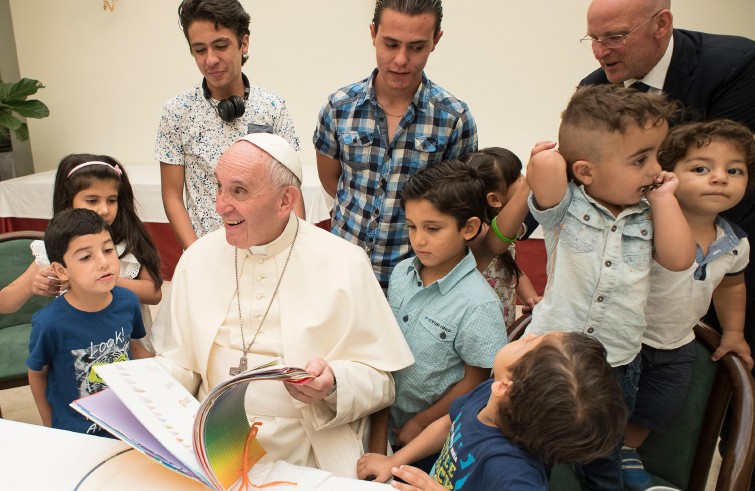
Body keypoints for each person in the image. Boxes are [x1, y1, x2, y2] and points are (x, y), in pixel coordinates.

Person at [150, 132, 414, 478]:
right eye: (220, 187)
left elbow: (382, 382)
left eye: (239, 191)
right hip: (216, 437)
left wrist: (333, 383)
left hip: (309, 444)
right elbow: (180, 363)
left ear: (285, 201)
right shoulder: (198, 257)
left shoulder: (344, 262)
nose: (220, 205)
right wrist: (142, 386)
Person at [524, 84, 696, 490]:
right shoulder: (566, 206)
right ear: (584, 171)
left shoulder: (651, 212)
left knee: (603, 455)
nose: (656, 169)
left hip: (616, 364)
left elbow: (679, 259)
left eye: (658, 154)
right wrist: (547, 153)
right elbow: (546, 169)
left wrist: (667, 198)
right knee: (531, 445)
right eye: (641, 159)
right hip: (550, 356)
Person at [579, 0, 755, 370]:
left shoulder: (735, 65)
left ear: (661, 24)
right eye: (593, 38)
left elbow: (729, 177)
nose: (599, 51)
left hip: (725, 255)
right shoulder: (594, 90)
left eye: (614, 37)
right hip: (639, 290)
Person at [620, 120, 755, 490]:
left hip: (677, 343)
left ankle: (626, 451)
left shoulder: (734, 241)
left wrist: (734, 332)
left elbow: (732, 285)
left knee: (659, 407)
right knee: (605, 401)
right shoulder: (643, 225)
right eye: (701, 168)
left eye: (734, 170)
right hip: (625, 337)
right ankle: (591, 452)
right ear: (668, 175)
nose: (720, 178)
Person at [313, 0, 477, 290]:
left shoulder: (454, 118)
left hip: (416, 282)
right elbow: (331, 180)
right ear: (373, 34)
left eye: (416, 47)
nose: (401, 59)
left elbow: (458, 204)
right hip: (342, 273)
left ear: (436, 41)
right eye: (390, 44)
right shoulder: (339, 107)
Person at [357, 332, 627, 490]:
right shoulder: (490, 392)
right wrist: (393, 462)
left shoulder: (513, 473)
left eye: (529, 344)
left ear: (506, 389)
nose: (529, 334)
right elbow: (448, 424)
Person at [156, 0, 300, 250]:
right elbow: (172, 196)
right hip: (207, 251)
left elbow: (291, 187)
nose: (210, 60)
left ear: (243, 43)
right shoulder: (176, 112)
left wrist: (292, 249)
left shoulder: (273, 108)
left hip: (267, 249)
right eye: (199, 50)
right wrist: (195, 253)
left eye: (220, 46)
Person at [387, 160, 507, 459]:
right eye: (412, 227)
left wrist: (421, 422)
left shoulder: (478, 303)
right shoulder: (402, 272)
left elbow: (475, 381)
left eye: (433, 228)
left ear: (469, 228)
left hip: (431, 435)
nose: (419, 239)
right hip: (383, 414)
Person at [0, 154, 162, 348]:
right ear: (69, 202)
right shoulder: (55, 250)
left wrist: (101, 279)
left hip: (129, 347)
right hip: (79, 352)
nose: (104, 209)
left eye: (111, 200)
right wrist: (30, 286)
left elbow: (154, 294)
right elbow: (5, 303)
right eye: (92, 201)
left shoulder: (129, 241)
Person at [26, 208, 153, 436]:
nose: (104, 263)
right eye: (86, 257)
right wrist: (49, 426)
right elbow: (36, 374)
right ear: (61, 271)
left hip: (128, 421)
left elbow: (131, 346)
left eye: (107, 249)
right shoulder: (49, 323)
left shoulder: (128, 302)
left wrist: (166, 368)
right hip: (77, 432)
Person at [462, 148, 542, 328]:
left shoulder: (501, 227)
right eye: (519, 177)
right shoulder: (479, 234)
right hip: (480, 329)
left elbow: (514, 272)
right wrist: (531, 182)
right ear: (494, 200)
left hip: (502, 327)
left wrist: (533, 301)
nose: (524, 180)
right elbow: (497, 241)